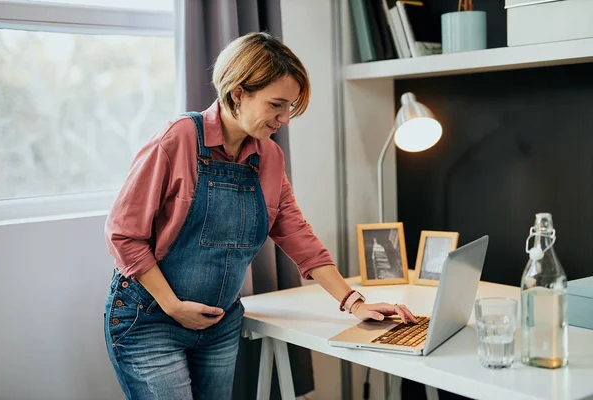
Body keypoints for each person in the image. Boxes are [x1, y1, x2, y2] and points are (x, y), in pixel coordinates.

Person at [103, 32, 418, 400]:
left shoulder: (269, 158)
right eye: (277, 105)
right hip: (151, 319)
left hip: (218, 325)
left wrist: (355, 302)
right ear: (239, 94)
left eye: (290, 107)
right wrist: (174, 307)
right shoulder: (178, 140)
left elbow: (299, 237)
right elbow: (123, 234)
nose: (284, 119)